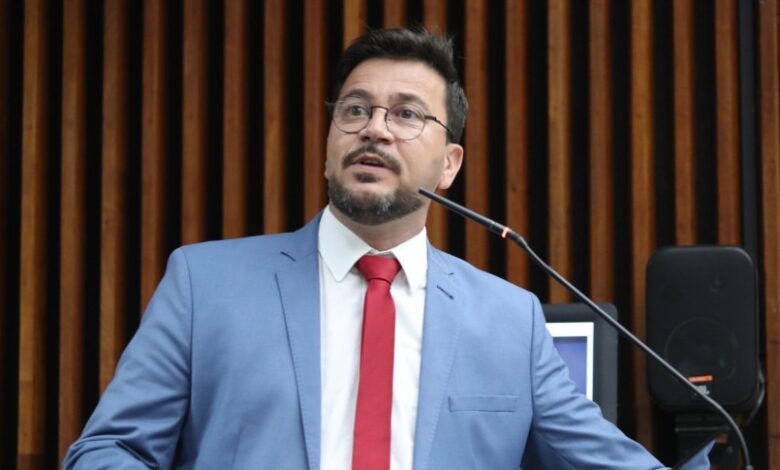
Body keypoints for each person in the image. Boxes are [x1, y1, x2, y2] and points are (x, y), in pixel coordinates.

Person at [64, 28, 678, 469]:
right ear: (330, 142)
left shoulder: (510, 320)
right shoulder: (205, 284)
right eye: (355, 110)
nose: (375, 129)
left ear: (449, 164)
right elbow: (107, 450)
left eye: (407, 115)